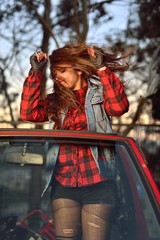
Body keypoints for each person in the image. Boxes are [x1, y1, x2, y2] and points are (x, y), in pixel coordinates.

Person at [20, 43, 129, 240]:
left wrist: (102, 69)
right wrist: (36, 73)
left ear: (78, 70)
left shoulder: (99, 94)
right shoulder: (56, 101)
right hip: (64, 184)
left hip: (99, 183)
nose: (57, 77)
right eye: (54, 73)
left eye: (62, 71)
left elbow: (119, 107)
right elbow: (28, 113)